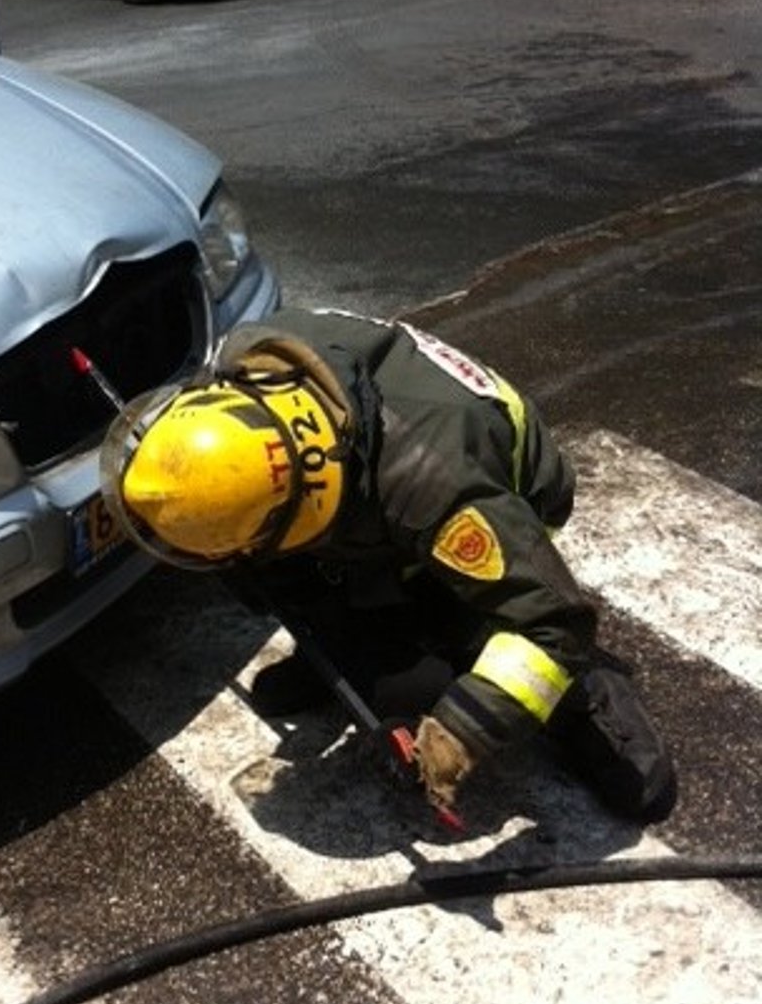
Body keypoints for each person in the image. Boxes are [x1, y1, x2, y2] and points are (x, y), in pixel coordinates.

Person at [100, 307, 677, 825]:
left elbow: (554, 621)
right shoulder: (249, 367)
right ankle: (335, 637)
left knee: (430, 680)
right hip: (377, 480)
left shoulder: (433, 492)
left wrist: (462, 731)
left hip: (511, 500)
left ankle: (584, 696)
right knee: (278, 574)